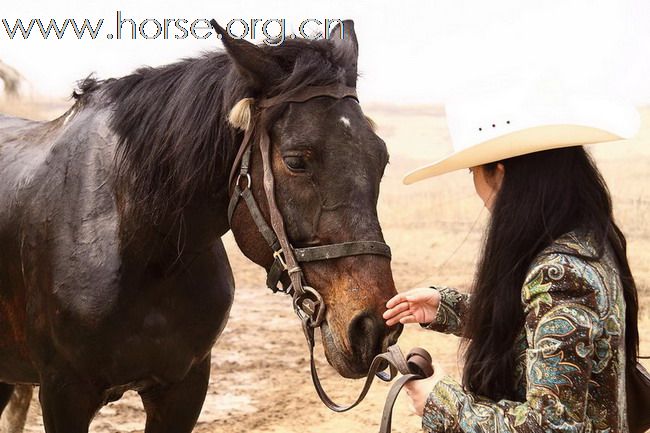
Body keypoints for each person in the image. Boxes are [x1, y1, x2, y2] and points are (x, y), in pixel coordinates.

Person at [384, 83, 642, 432]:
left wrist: (441, 403)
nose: (475, 186)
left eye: (473, 171)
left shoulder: (561, 273)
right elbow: (541, 324)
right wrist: (448, 307)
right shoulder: (584, 243)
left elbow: (551, 425)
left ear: (500, 174)